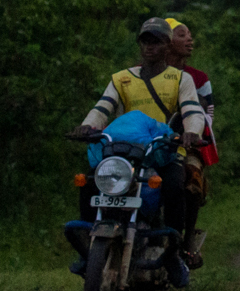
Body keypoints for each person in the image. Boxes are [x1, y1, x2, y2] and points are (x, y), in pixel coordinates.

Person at [69, 18, 210, 273]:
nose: (149, 47)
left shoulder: (180, 79)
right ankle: (89, 248)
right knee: (89, 181)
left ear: (167, 46)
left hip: (163, 150)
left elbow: (192, 110)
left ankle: (173, 253)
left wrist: (191, 132)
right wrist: (87, 127)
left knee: (176, 186)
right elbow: (102, 107)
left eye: (156, 41)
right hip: (122, 152)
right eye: (145, 41)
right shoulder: (122, 79)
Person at [163, 16, 217, 266]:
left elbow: (208, 117)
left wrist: (193, 133)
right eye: (182, 34)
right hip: (151, 141)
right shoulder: (143, 73)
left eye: (189, 35)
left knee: (192, 178)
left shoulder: (199, 78)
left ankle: (186, 242)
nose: (189, 39)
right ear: (167, 41)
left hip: (187, 143)